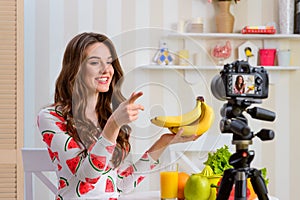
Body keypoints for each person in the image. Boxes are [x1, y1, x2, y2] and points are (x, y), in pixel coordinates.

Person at [37, 32, 197, 200]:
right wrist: (114, 124)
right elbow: (87, 176)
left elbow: (120, 184)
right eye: (94, 62)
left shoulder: (107, 116)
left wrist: (164, 142)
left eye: (109, 62)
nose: (106, 70)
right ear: (76, 69)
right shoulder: (51, 117)